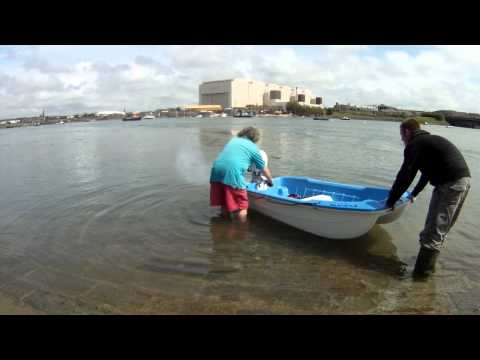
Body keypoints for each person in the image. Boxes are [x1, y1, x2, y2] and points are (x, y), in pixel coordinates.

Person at [386, 118, 471, 279]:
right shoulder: (428, 143)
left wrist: (391, 201)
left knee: (433, 232)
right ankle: (426, 271)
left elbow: (405, 175)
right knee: (437, 230)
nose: (402, 140)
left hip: (450, 185)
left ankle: (421, 277)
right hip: (460, 182)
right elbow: (426, 173)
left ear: (406, 132)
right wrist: (414, 194)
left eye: (402, 135)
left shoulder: (415, 145)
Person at [210, 127, 274, 223]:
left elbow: (233, 158)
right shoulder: (253, 148)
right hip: (232, 173)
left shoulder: (233, 141)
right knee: (242, 206)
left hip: (216, 171)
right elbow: (263, 168)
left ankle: (222, 225)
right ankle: (241, 229)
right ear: (255, 138)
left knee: (224, 203)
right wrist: (270, 181)